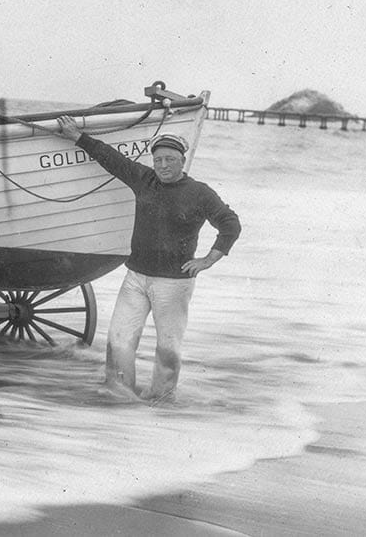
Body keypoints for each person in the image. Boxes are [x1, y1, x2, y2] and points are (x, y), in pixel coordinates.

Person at [56, 115, 241, 400]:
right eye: (158, 160)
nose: (163, 166)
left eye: (169, 160)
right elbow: (112, 159)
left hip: (173, 284)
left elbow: (230, 224)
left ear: (182, 160)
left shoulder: (199, 193)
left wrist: (207, 260)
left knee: (167, 346)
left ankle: (162, 401)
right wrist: (78, 137)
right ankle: (120, 397)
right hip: (136, 278)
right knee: (119, 339)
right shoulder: (144, 180)